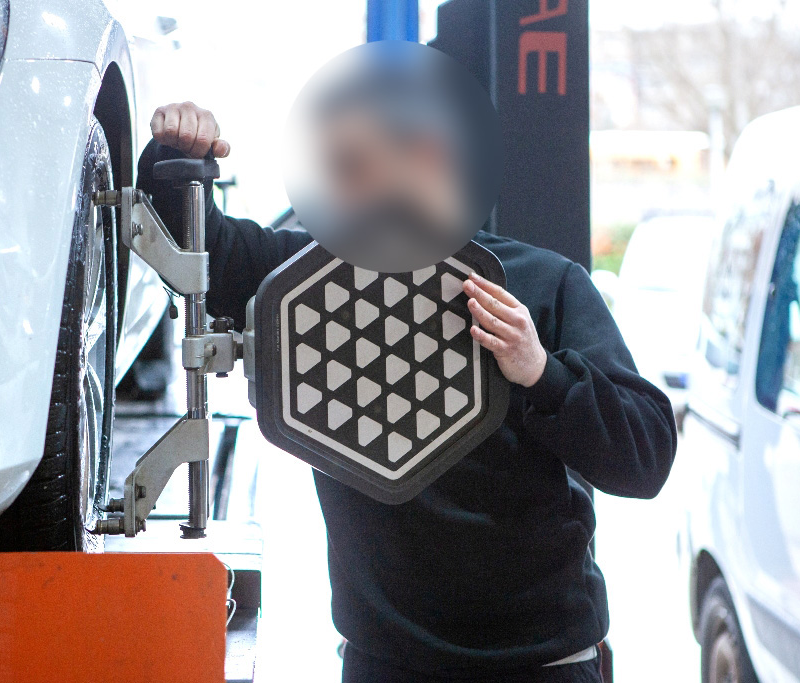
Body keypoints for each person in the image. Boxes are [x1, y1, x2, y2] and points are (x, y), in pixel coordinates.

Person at [138, 101, 676, 683]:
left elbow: (644, 457)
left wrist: (540, 371)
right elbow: (197, 251)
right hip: (389, 663)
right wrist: (178, 152)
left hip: (543, 662)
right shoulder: (308, 282)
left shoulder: (543, 283)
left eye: (359, 166)